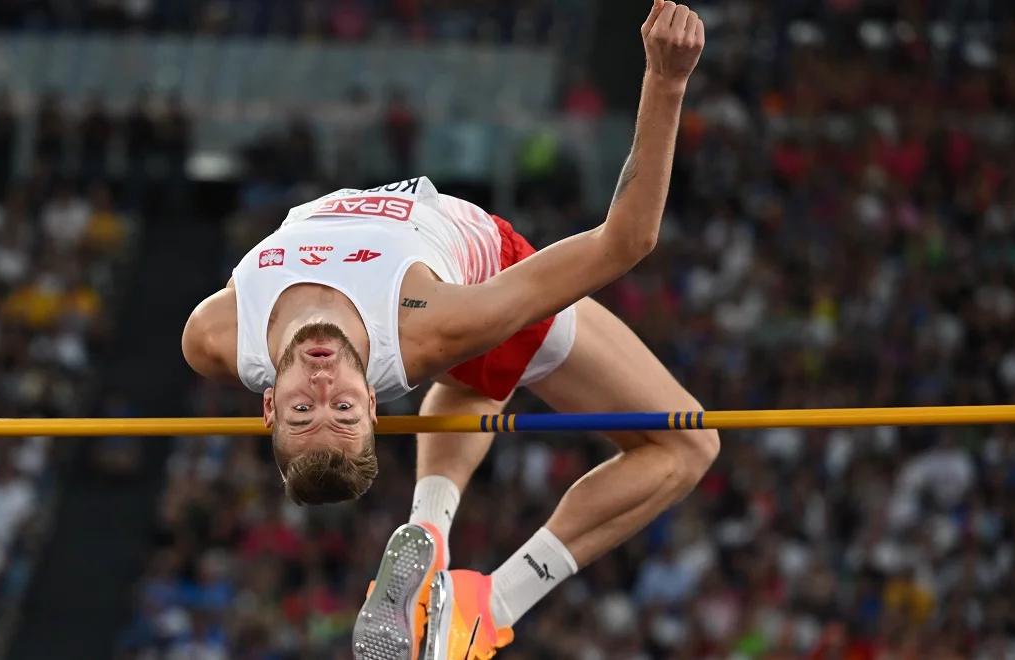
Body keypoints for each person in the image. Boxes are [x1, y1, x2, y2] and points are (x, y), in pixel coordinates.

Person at [181, 2, 712, 657]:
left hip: (419, 271)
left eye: (302, 407)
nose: (321, 381)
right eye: (342, 408)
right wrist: (666, 80)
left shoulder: (212, 334)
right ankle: (491, 605)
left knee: (477, 383)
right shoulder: (438, 323)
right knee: (687, 446)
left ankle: (428, 532)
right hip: (480, 261)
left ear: (268, 403)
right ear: (372, 401)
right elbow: (625, 242)